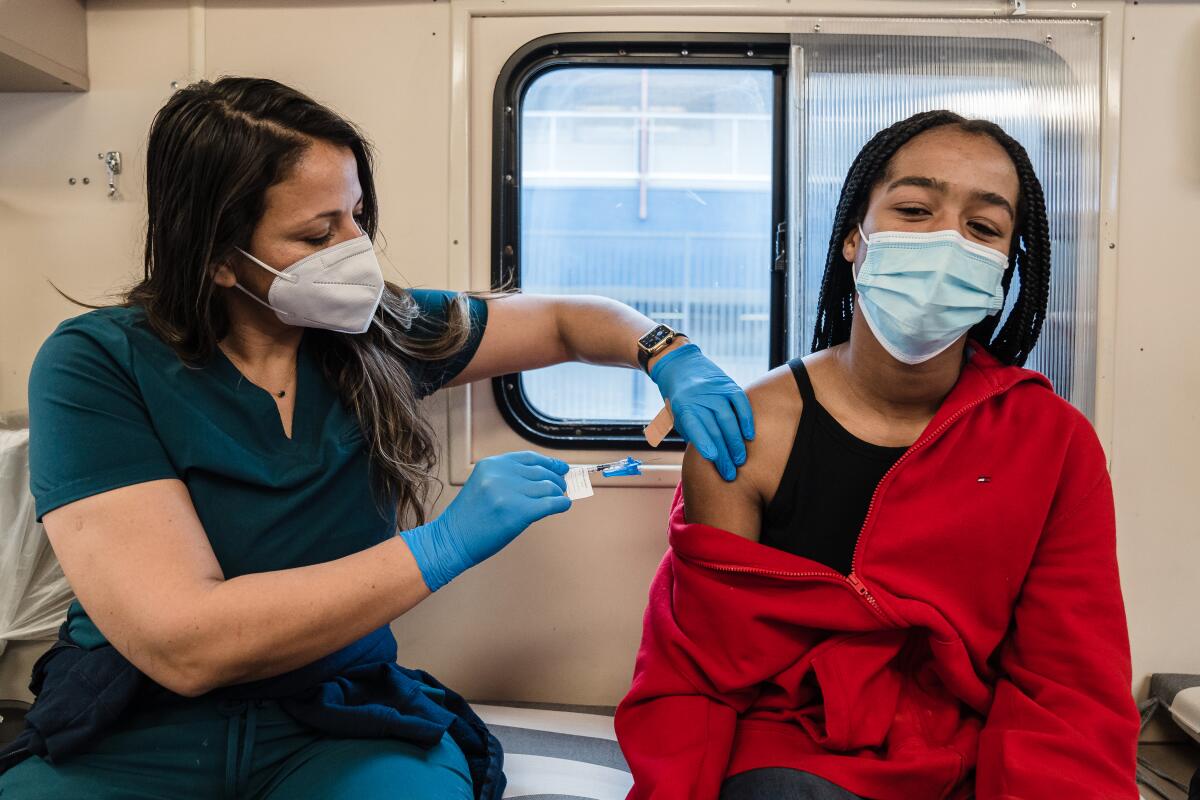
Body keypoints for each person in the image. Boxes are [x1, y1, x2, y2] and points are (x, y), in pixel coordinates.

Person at [0, 76, 754, 800]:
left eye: (357, 215)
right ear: (221, 259)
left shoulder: (378, 334)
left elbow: (565, 320)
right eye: (318, 232)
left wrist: (667, 353)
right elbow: (184, 645)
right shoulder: (97, 365)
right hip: (136, 719)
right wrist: (441, 546)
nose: (356, 250)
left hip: (335, 717)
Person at [615, 110, 1140, 800]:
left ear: (1003, 273)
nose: (948, 240)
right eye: (916, 209)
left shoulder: (1052, 441)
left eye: (982, 228)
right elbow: (699, 674)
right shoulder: (753, 431)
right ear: (854, 241)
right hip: (796, 755)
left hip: (971, 750)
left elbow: (1066, 682)